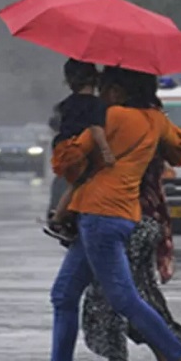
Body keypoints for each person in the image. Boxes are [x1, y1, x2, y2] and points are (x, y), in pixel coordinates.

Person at [11, 67, 181, 361]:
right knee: (64, 294)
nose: (101, 93)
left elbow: (67, 161)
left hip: (99, 215)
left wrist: (72, 133)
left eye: (105, 88)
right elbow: (178, 150)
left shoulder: (111, 115)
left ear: (117, 91)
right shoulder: (155, 120)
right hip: (122, 213)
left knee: (124, 298)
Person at [44, 59, 115, 242]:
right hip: (80, 152)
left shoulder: (65, 104)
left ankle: (64, 219)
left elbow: (59, 125)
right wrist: (106, 151)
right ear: (96, 80)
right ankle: (60, 219)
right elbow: (96, 129)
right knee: (81, 185)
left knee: (73, 185)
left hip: (62, 150)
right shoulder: (96, 105)